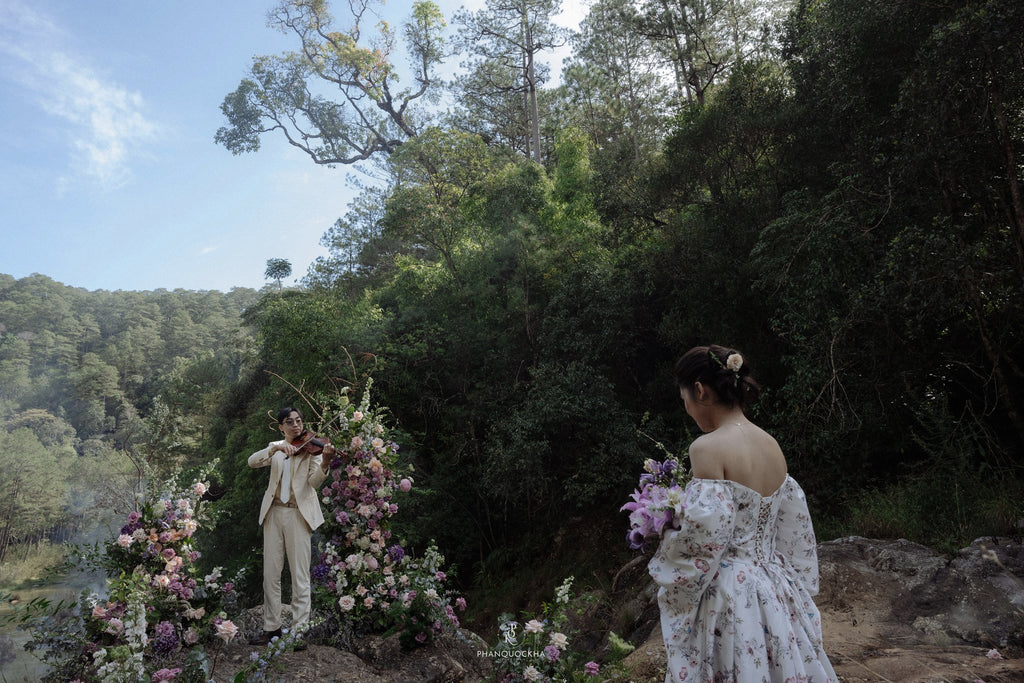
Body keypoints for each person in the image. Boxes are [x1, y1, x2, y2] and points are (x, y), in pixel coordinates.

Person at [649, 345, 836, 682]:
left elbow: (706, 538)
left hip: (729, 592)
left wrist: (667, 531)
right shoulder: (771, 445)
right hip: (774, 586)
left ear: (700, 391)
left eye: (685, 400)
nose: (688, 409)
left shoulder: (705, 448)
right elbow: (794, 526)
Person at [247, 407, 336, 649]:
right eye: (290, 422)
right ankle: (271, 628)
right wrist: (275, 448)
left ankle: (299, 632)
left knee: (299, 575)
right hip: (273, 512)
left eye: (299, 421)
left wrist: (325, 461)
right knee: (271, 574)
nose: (296, 425)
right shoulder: (275, 447)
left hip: (298, 513)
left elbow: (315, 482)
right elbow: (252, 462)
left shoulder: (312, 449)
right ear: (281, 426)